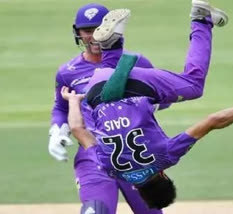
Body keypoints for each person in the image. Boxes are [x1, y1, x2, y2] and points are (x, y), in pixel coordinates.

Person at [61, 0, 233, 210]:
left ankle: (202, 19)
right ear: (139, 190)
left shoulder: (165, 157)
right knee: (108, 77)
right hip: (96, 88)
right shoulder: (110, 167)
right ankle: (111, 46)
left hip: (135, 91)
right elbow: (78, 129)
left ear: (164, 176)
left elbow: (213, 121)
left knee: (194, 85)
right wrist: (75, 102)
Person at [49, 3, 165, 214]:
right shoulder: (68, 72)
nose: (94, 36)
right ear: (78, 33)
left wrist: (148, 102)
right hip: (93, 155)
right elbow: (60, 107)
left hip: (136, 155)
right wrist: (57, 130)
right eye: (87, 31)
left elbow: (164, 95)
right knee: (96, 211)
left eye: (100, 29)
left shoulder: (137, 62)